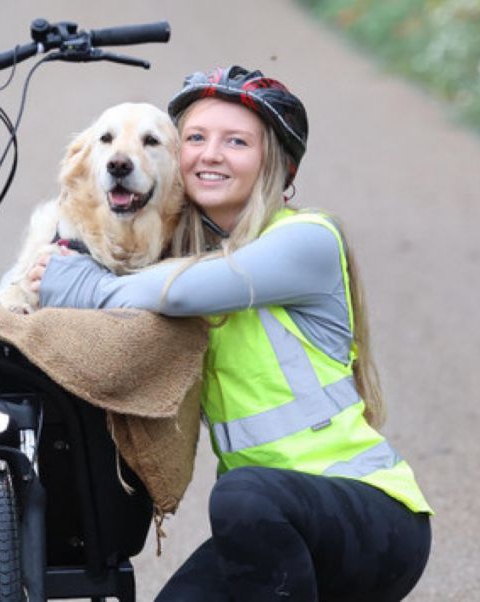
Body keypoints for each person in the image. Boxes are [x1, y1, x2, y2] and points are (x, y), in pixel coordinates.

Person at [30, 66, 432, 601]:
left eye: (236, 142)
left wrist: (68, 278)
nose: (211, 154)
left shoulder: (305, 240)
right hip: (267, 532)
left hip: (369, 517)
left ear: (278, 165)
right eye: (195, 139)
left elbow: (175, 293)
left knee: (241, 495)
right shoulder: (182, 259)